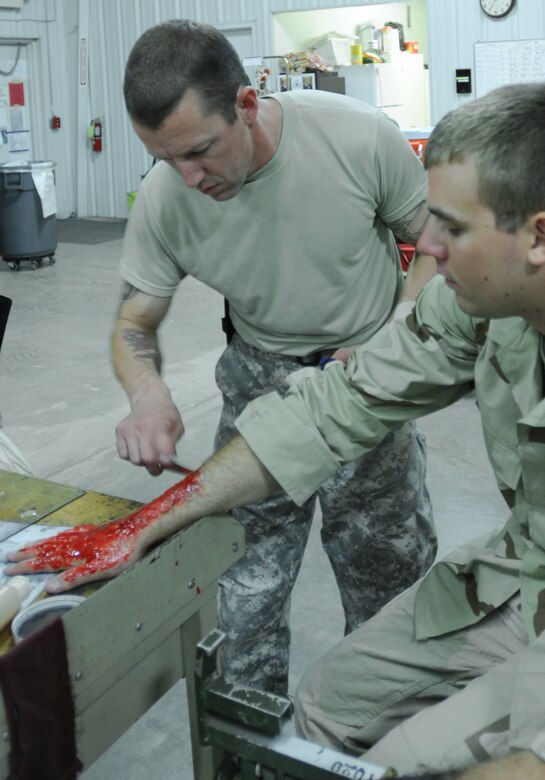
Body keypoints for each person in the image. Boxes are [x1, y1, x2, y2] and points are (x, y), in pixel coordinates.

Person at [8, 82, 545, 779]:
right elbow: (336, 405)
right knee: (324, 710)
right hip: (527, 571)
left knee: (417, 763)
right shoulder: (491, 301)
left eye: (448, 227)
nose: (425, 249)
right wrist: (152, 519)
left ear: (540, 238)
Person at [110, 20, 437, 694]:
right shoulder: (167, 196)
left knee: (388, 594)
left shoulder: (354, 135)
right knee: (242, 599)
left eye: (200, 151)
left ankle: (380, 748)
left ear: (247, 104)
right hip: (258, 383)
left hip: (364, 380)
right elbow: (132, 322)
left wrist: (394, 336)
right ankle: (247, 752)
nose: (188, 177)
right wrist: (146, 393)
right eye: (166, 157)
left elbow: (437, 244)